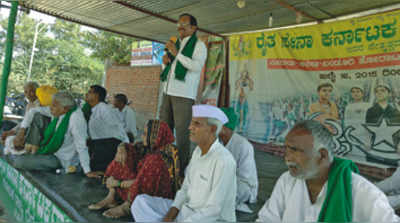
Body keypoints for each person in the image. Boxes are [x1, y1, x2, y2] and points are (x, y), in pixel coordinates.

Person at [256, 120, 399, 222]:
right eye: (285, 149)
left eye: (294, 150)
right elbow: (267, 218)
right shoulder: (287, 181)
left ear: (322, 155)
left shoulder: (361, 191)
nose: (287, 157)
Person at [131, 105, 237, 222]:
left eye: (196, 124)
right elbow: (185, 189)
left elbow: (213, 211)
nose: (190, 127)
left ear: (212, 129)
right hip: (186, 211)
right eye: (191, 123)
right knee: (140, 202)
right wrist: (169, 216)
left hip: (210, 219)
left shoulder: (224, 160)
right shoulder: (197, 151)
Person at [88, 120, 180, 218]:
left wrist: (118, 183)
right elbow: (132, 147)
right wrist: (122, 148)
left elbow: (143, 182)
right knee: (124, 154)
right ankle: (112, 196)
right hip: (137, 183)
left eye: (145, 134)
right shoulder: (151, 146)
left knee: (150, 161)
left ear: (155, 137)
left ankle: (127, 206)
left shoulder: (160, 158)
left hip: (153, 194)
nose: (142, 137)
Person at [159, 13, 207, 176]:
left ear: (194, 28)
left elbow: (196, 67)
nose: (179, 27)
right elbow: (170, 70)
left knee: (182, 134)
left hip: (183, 94)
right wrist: (165, 62)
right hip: (167, 92)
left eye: (184, 25)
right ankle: (163, 163)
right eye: (178, 24)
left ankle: (182, 170)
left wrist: (177, 53)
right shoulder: (176, 43)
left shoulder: (199, 45)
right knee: (163, 129)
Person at [10, 92, 98, 177]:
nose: (50, 108)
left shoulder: (76, 119)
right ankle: (35, 154)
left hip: (61, 159)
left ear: (65, 108)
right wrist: (21, 132)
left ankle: (51, 166)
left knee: (18, 162)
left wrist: (87, 171)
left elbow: (81, 146)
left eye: (54, 106)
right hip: (50, 150)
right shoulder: (58, 111)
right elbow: (33, 111)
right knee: (38, 116)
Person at [219, 107, 258, 213]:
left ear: (225, 127)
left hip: (243, 185)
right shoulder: (216, 142)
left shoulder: (244, 146)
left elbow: (244, 177)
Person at [85, 85, 129, 174]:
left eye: (90, 92)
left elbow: (117, 126)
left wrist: (125, 145)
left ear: (97, 95)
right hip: (99, 148)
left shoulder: (104, 109)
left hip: (108, 147)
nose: (86, 94)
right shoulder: (95, 110)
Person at [5, 85, 57, 155]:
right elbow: (26, 120)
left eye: (32, 91)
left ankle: (29, 148)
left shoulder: (46, 106)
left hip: (39, 140)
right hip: (28, 134)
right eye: (26, 92)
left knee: (38, 117)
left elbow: (32, 121)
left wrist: (21, 133)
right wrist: (15, 131)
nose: (29, 94)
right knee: (5, 126)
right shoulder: (31, 105)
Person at [343, 85, 371, 155]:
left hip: (365, 136)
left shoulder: (368, 105)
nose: (355, 94)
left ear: (362, 93)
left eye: (358, 91)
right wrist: (349, 137)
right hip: (353, 136)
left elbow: (371, 123)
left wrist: (369, 139)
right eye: (353, 92)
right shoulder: (348, 107)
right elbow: (347, 123)